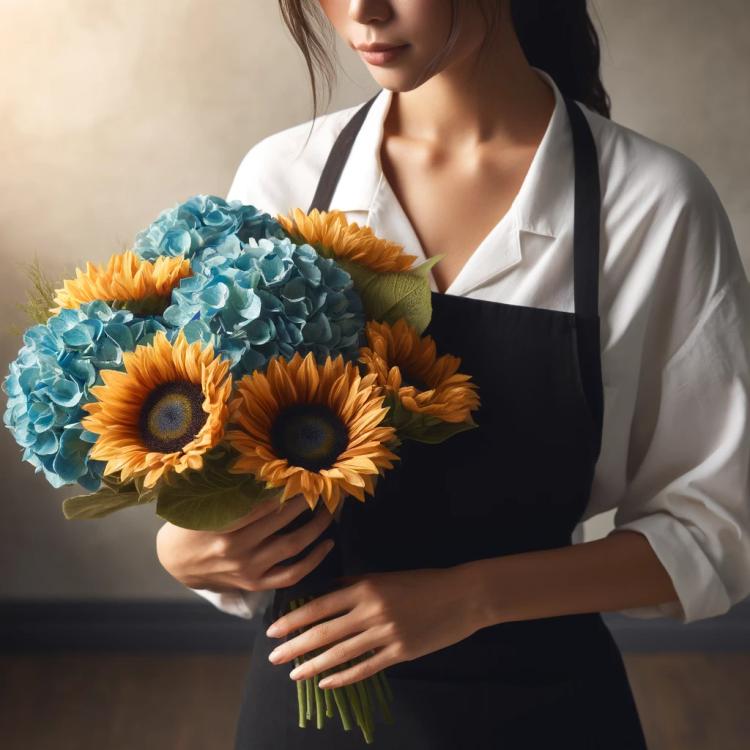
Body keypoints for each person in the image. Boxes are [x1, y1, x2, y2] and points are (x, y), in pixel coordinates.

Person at [156, 1, 750, 747]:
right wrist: (187, 543)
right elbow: (231, 467)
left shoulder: (653, 204)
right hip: (311, 693)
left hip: (547, 708)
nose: (362, 10)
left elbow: (718, 530)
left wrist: (470, 598)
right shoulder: (286, 177)